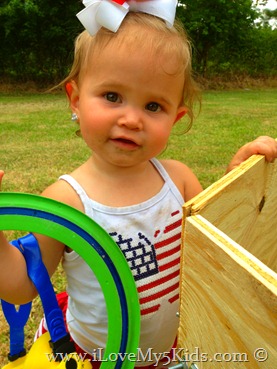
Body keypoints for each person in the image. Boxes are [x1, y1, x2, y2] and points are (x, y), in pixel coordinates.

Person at [0, 1, 276, 367]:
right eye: (112, 97)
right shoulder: (68, 200)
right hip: (98, 357)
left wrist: (238, 181)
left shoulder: (179, 179)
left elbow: (219, 247)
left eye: (153, 106)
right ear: (76, 100)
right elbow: (21, 285)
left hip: (173, 350)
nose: (131, 119)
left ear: (176, 117)